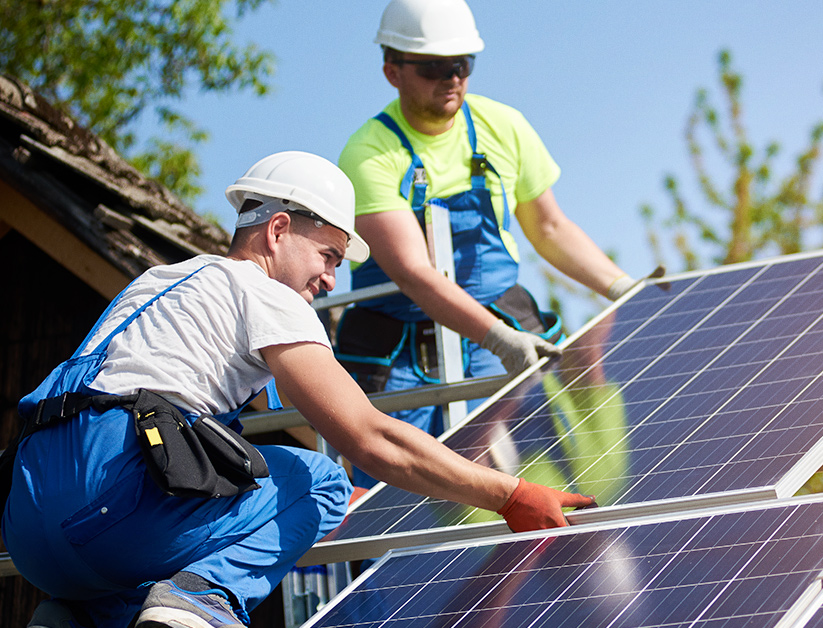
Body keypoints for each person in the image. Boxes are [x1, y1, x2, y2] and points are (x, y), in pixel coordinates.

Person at [2, 151, 595, 628]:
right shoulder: (265, 295)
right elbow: (368, 437)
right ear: (279, 230)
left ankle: (77, 615)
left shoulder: (162, 281)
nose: (331, 277)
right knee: (322, 478)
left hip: (29, 523)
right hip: (113, 498)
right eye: (328, 254)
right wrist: (510, 494)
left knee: (250, 480)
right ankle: (197, 607)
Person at [335, 0, 640, 460]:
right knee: (401, 494)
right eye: (435, 66)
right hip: (401, 356)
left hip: (502, 328)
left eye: (462, 64)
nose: (452, 77)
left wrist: (624, 288)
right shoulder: (369, 154)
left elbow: (551, 228)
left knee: (552, 464)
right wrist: (499, 338)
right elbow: (414, 271)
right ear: (392, 71)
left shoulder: (504, 126)